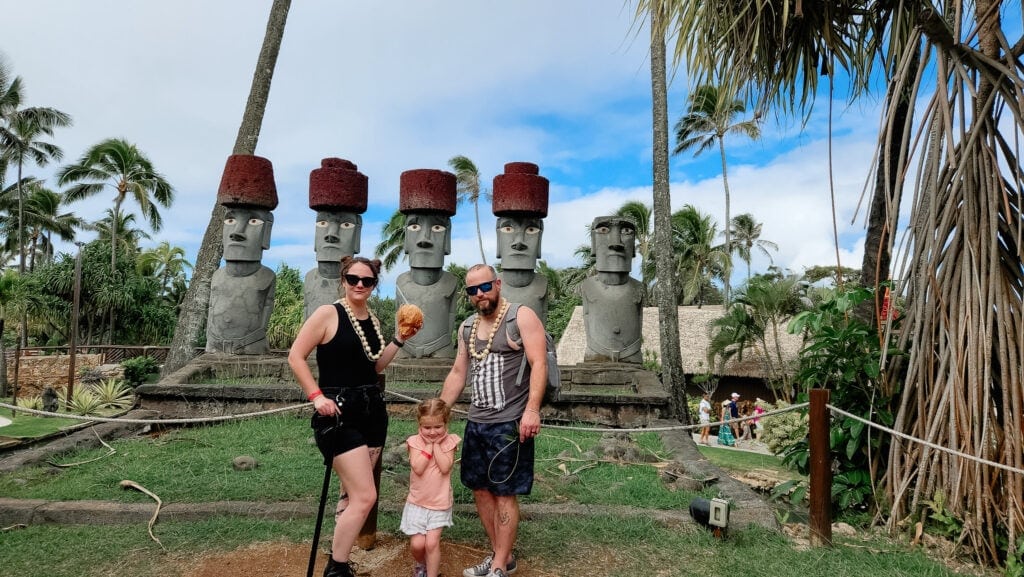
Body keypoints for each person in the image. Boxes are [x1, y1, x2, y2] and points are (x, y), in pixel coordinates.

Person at [289, 256, 421, 577]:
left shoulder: (373, 320)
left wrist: (401, 338)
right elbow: (295, 356)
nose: (359, 285)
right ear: (343, 279)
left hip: (372, 411)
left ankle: (341, 557)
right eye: (353, 279)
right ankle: (337, 567)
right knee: (365, 495)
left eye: (367, 281)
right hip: (337, 413)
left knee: (352, 494)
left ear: (375, 285)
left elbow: (375, 366)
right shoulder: (328, 314)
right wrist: (317, 397)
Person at [440, 263, 548, 577]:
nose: (479, 294)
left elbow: (538, 363)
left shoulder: (521, 316)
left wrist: (532, 409)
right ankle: (501, 554)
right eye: (472, 290)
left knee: (504, 493)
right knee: (480, 489)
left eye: (485, 287)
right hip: (477, 421)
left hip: (509, 424)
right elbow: (459, 373)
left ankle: (499, 565)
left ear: (497, 284)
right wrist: (439, 413)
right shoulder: (467, 327)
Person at [401, 398, 461, 577]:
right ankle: (422, 564)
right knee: (418, 545)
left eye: (438, 427)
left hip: (439, 503)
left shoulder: (450, 442)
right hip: (417, 502)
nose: (433, 432)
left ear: (446, 424)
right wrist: (429, 446)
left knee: (432, 543)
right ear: (419, 425)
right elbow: (418, 468)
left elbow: (445, 467)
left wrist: (436, 446)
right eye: (427, 428)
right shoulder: (414, 442)